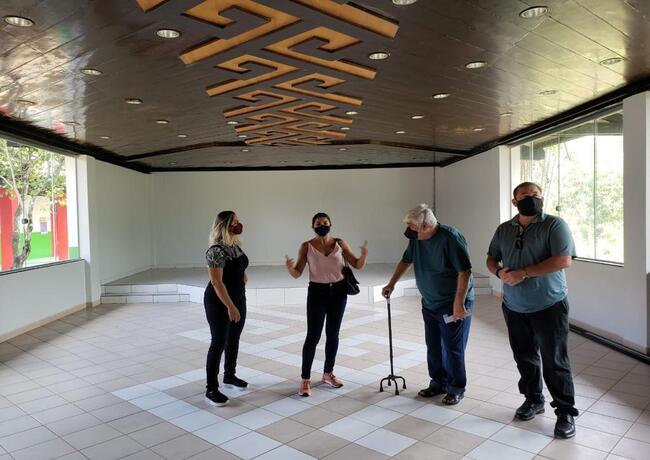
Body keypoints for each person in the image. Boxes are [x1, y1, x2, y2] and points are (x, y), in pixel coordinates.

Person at [486, 181, 578, 439]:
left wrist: (524, 273)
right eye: (525, 195)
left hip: (549, 305)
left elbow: (563, 260)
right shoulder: (504, 229)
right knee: (524, 356)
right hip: (514, 306)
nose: (531, 198)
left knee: (555, 360)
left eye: (536, 195)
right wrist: (499, 272)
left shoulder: (555, 225)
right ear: (514, 201)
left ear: (542, 199)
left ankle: (565, 412)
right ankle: (533, 399)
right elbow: (491, 258)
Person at [382, 204, 474, 406]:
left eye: (411, 226)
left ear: (424, 225)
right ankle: (438, 383)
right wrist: (391, 283)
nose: (408, 230)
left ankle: (456, 388)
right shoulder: (417, 239)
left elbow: (464, 272)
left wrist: (459, 303)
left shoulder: (450, 238)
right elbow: (406, 261)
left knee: (452, 348)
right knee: (433, 346)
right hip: (430, 303)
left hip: (452, 303)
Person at [286, 212, 368, 397]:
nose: (322, 225)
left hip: (338, 292)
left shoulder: (340, 243)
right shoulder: (306, 246)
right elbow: (297, 273)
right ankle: (305, 379)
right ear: (312, 226)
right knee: (313, 336)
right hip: (317, 292)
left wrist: (364, 255)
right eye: (318, 223)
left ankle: (328, 373)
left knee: (333, 334)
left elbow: (357, 264)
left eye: (325, 222)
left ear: (331, 224)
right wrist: (290, 268)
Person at [203, 211, 249, 406]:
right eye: (235, 222)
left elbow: (239, 268)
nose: (239, 224)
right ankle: (211, 388)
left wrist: (243, 279)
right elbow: (216, 282)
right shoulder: (216, 250)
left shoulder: (235, 246)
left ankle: (229, 376)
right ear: (225, 225)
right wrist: (230, 306)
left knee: (234, 339)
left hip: (238, 299)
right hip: (219, 302)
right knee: (218, 342)